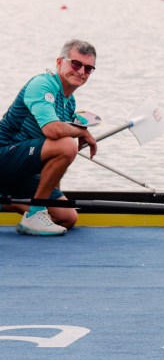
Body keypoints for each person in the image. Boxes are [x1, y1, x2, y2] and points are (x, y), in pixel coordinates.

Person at [0, 40, 98, 236]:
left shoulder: (70, 103)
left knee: (67, 217)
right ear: (59, 62)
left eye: (88, 68)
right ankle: (35, 214)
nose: (81, 71)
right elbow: (52, 132)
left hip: (23, 170)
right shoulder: (42, 84)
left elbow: (56, 158)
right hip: (4, 154)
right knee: (66, 145)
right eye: (76, 64)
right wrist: (82, 132)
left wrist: (55, 192)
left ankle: (11, 202)